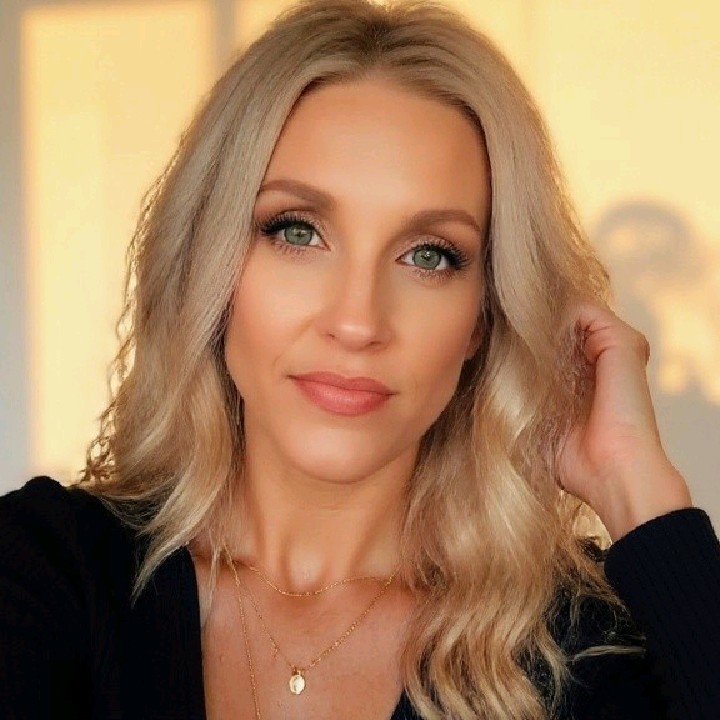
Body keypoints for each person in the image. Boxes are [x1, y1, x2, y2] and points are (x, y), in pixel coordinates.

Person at [2, 0, 719, 718]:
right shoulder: (48, 570)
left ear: (484, 315)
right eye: (297, 232)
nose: (357, 322)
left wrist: (635, 486)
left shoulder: (580, 649)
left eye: (428, 256)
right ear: (210, 265)